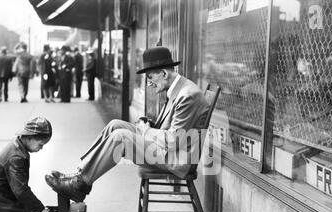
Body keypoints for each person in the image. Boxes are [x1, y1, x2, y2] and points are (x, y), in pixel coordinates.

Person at [45, 46, 209, 202]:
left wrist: (145, 131)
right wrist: (149, 125)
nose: (149, 83)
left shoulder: (187, 95)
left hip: (176, 159)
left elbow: (173, 141)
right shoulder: (178, 90)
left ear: (164, 73)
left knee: (121, 137)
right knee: (115, 125)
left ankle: (79, 184)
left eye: (150, 77)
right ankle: (80, 174)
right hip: (166, 150)